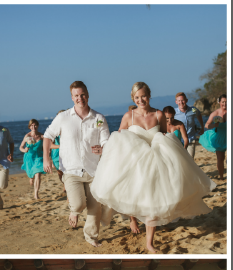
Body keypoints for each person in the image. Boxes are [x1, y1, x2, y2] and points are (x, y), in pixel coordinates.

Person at [91, 82, 216, 253]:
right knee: (133, 195)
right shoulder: (129, 116)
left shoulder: (159, 114)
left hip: (155, 163)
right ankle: (132, 219)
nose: (140, 100)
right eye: (137, 97)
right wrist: (103, 149)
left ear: (149, 95)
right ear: (133, 98)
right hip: (134, 164)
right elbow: (118, 140)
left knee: (153, 201)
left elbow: (163, 136)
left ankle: (149, 243)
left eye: (143, 96)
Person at [43, 81, 110, 247]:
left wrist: (103, 148)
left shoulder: (99, 119)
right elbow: (47, 136)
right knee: (79, 204)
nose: (80, 98)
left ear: (87, 94)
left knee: (95, 207)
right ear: (72, 97)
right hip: (71, 170)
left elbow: (106, 141)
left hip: (94, 170)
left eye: (82, 94)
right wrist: (46, 158)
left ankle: (91, 237)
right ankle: (74, 211)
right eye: (76, 95)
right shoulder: (63, 117)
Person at [200, 94, 227, 180]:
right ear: (219, 102)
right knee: (220, 158)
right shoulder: (215, 113)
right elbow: (207, 125)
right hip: (218, 137)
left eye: (226, 102)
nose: (225, 104)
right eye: (223, 102)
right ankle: (222, 177)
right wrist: (215, 125)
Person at [174, 92, 205, 159]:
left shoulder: (193, 110)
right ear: (176, 102)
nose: (181, 102)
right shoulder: (174, 112)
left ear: (186, 100)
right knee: (181, 160)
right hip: (179, 141)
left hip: (191, 139)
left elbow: (199, 114)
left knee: (190, 160)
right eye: (179, 101)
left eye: (182, 100)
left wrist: (202, 127)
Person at [19, 119, 45, 199]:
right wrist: (24, 150)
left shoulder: (41, 136)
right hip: (29, 158)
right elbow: (21, 147)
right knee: (32, 174)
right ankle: (31, 177)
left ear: (37, 125)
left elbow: (46, 146)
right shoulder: (27, 136)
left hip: (39, 157)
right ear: (29, 127)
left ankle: (36, 194)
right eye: (32, 125)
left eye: (35, 125)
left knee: (38, 174)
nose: (34, 127)